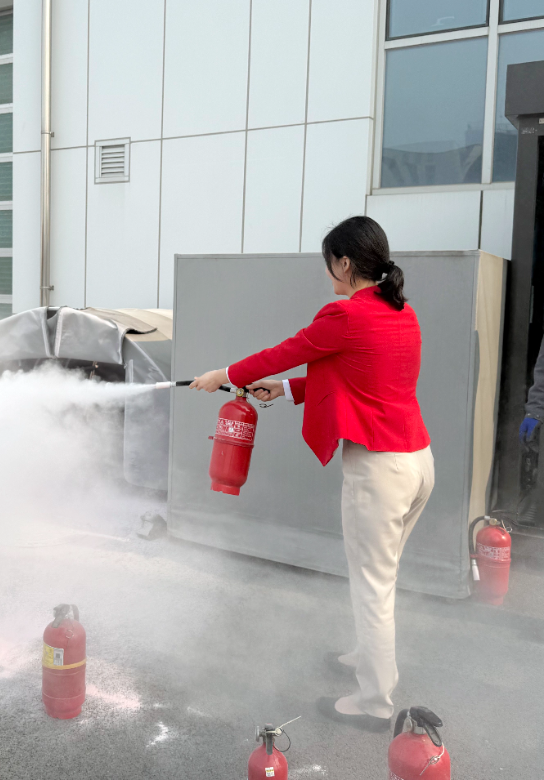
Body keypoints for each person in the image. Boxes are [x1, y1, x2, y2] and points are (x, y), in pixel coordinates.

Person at [190, 216, 434, 732]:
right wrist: (289, 391)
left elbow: (288, 349)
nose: (329, 276)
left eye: (330, 265)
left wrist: (224, 375)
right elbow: (360, 371)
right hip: (417, 464)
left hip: (380, 469)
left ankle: (374, 701)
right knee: (381, 578)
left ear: (345, 263)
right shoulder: (402, 312)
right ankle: (370, 659)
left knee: (373, 586)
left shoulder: (344, 314)